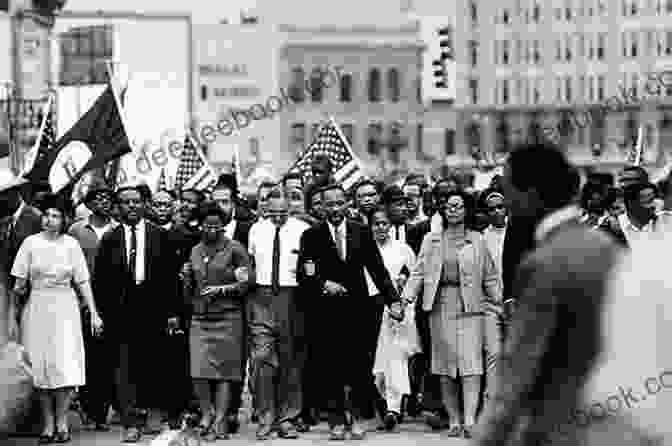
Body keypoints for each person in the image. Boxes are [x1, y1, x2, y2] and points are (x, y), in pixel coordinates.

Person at [474, 142, 621, 446]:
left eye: (508, 187)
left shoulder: (543, 263)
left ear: (529, 193)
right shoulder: (608, 248)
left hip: (557, 428)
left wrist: (488, 438)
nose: (505, 199)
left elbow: (518, 371)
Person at [297, 183, 403, 441]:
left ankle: (357, 418)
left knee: (358, 367)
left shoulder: (361, 232)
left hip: (358, 311)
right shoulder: (311, 236)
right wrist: (323, 283)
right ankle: (336, 420)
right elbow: (304, 273)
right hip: (325, 313)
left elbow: (378, 270)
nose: (334, 209)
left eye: (338, 203)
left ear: (347, 203)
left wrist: (394, 301)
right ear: (321, 207)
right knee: (330, 367)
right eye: (328, 204)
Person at [401, 187, 502, 439]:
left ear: (466, 210)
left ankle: (469, 419)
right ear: (442, 210)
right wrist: (405, 298)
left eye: (458, 205)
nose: (453, 210)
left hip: (471, 305)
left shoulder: (477, 239)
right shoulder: (431, 239)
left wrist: (500, 302)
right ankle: (454, 420)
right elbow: (418, 273)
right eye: (448, 206)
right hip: (440, 304)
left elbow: (489, 276)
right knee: (445, 365)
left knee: (471, 364)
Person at [9, 193, 103, 443]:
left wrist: (93, 313)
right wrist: (13, 315)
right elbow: (18, 284)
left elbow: (83, 281)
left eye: (56, 216)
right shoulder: (30, 243)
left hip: (65, 307)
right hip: (37, 306)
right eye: (47, 215)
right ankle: (48, 424)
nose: (50, 220)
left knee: (63, 366)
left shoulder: (71, 245)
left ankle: (62, 422)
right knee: (39, 367)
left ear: (64, 220)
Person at [92, 185, 180, 443]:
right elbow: (101, 280)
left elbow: (170, 278)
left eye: (135, 202)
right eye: (125, 202)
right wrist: (102, 312)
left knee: (154, 361)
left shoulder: (159, 235)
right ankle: (130, 421)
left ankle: (153, 414)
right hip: (120, 309)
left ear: (145, 205)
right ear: (118, 207)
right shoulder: (110, 238)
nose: (131, 206)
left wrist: (172, 312)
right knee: (123, 364)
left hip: (152, 306)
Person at [181, 201, 251, 441]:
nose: (211, 230)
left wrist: (222, 290)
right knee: (198, 370)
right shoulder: (195, 250)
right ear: (200, 226)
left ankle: (220, 418)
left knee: (224, 372)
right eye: (207, 226)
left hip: (228, 317)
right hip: (200, 318)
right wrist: (186, 278)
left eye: (216, 226)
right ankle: (207, 413)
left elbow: (246, 283)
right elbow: (190, 289)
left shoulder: (236, 249)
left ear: (224, 226)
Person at [247, 189, 310, 440]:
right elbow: (251, 263)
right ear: (265, 209)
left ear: (290, 210)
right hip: (262, 297)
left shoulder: (301, 229)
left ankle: (288, 418)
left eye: (283, 213)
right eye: (273, 213)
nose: (278, 218)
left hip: (291, 297)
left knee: (289, 361)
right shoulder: (256, 230)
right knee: (262, 358)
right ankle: (265, 417)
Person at [68, 186, 117, 432]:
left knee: (107, 357)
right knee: (86, 355)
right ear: (88, 203)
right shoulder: (76, 230)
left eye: (108, 198)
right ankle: (88, 407)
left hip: (112, 301)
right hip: (81, 301)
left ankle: (102, 411)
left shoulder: (118, 228)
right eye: (98, 198)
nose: (104, 202)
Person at [367, 206, 420, 431]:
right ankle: (381, 407)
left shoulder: (403, 249)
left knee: (395, 356)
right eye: (376, 223)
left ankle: (394, 408)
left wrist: (403, 295)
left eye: (384, 223)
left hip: (396, 310)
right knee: (377, 360)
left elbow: (415, 277)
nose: (380, 227)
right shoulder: (363, 248)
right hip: (370, 308)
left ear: (390, 225)